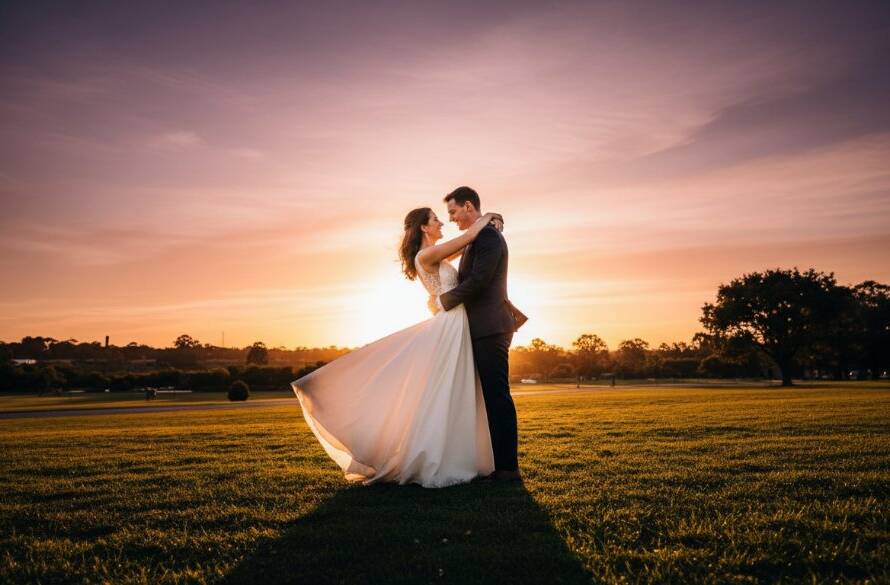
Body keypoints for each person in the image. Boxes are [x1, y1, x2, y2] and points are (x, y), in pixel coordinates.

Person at [291, 201, 508, 488]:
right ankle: (436, 455)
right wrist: (490, 216)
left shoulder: (436, 254)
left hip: (457, 324)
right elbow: (469, 237)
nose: (443, 222)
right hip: (450, 325)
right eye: (436, 219)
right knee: (443, 390)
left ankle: (461, 453)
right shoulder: (426, 254)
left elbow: (468, 245)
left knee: (453, 390)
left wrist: (487, 224)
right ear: (423, 227)